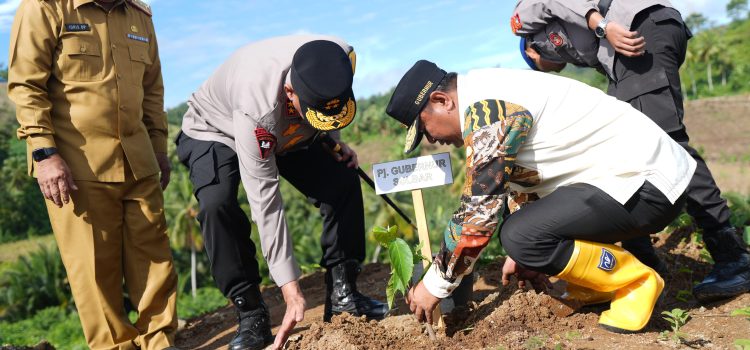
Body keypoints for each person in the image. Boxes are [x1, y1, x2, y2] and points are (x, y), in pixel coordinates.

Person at [386, 60, 696, 332]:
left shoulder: (488, 110)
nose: (433, 140)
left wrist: (435, 284)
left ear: (442, 100)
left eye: (425, 129)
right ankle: (599, 284)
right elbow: (526, 182)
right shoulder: (490, 90)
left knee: (519, 235)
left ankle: (635, 281)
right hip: (637, 180)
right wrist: (531, 254)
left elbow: (478, 212)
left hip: (647, 185)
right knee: (524, 238)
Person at [510, 0, 750, 303]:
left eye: (547, 65)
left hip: (638, 31)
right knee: (621, 148)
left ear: (533, 50)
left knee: (665, 146)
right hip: (636, 46)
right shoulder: (587, 46)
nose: (559, 65)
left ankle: (732, 257)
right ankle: (644, 261)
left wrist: (602, 25)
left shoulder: (523, 22)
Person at [175, 35, 388, 350]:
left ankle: (344, 295)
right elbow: (266, 203)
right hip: (216, 129)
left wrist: (335, 139)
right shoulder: (256, 109)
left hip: (292, 123)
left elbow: (329, 102)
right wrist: (291, 290)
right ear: (291, 92)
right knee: (216, 205)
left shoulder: (340, 56)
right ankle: (251, 315)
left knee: (341, 177)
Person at [8, 0, 178, 349]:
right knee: (94, 271)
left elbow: (152, 89)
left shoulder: (138, 15)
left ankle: (159, 342)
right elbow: (26, 86)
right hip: (74, 166)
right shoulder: (44, 8)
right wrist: (44, 152)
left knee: (155, 260)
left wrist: (159, 149)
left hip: (138, 158)